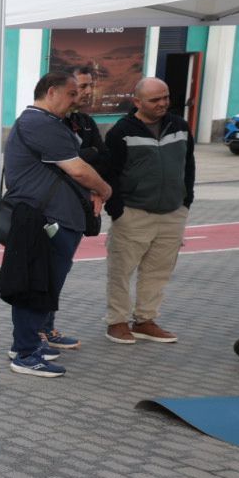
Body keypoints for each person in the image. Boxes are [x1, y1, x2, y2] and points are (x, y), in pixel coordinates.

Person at [2, 71, 113, 377]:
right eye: (72, 94)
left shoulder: (45, 123)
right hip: (45, 220)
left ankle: (26, 344)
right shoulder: (39, 122)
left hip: (51, 218)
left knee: (42, 284)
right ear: (51, 92)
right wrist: (104, 189)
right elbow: (78, 170)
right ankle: (25, 353)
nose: (77, 100)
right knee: (37, 285)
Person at [101, 77, 194, 345]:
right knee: (121, 271)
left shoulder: (180, 126)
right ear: (138, 102)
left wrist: (186, 202)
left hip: (173, 214)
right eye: (155, 99)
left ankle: (145, 320)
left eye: (165, 97)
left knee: (158, 271)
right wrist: (117, 210)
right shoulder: (122, 131)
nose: (163, 103)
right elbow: (111, 174)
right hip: (133, 214)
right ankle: (116, 322)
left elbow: (188, 167)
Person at [66, 65, 107, 172]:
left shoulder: (87, 121)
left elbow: (104, 156)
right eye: (83, 86)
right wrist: (92, 151)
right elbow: (63, 161)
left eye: (90, 86)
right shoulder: (51, 122)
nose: (89, 91)